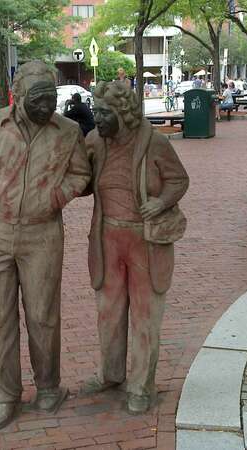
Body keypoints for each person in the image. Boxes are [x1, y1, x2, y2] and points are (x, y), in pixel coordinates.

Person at [0, 61, 91, 431]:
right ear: (18, 96)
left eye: (51, 98)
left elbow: (81, 173)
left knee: (44, 316)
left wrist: (57, 196)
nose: (46, 106)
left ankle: (49, 387)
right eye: (38, 99)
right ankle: (5, 395)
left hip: (43, 234)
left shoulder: (68, 131)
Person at [81, 80, 189, 414]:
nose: (96, 119)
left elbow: (179, 180)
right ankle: (111, 374)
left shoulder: (154, 143)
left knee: (145, 315)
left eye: (103, 113)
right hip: (107, 238)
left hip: (144, 239)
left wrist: (161, 202)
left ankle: (142, 385)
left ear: (123, 113)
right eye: (95, 112)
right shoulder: (95, 142)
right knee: (108, 312)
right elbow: (83, 182)